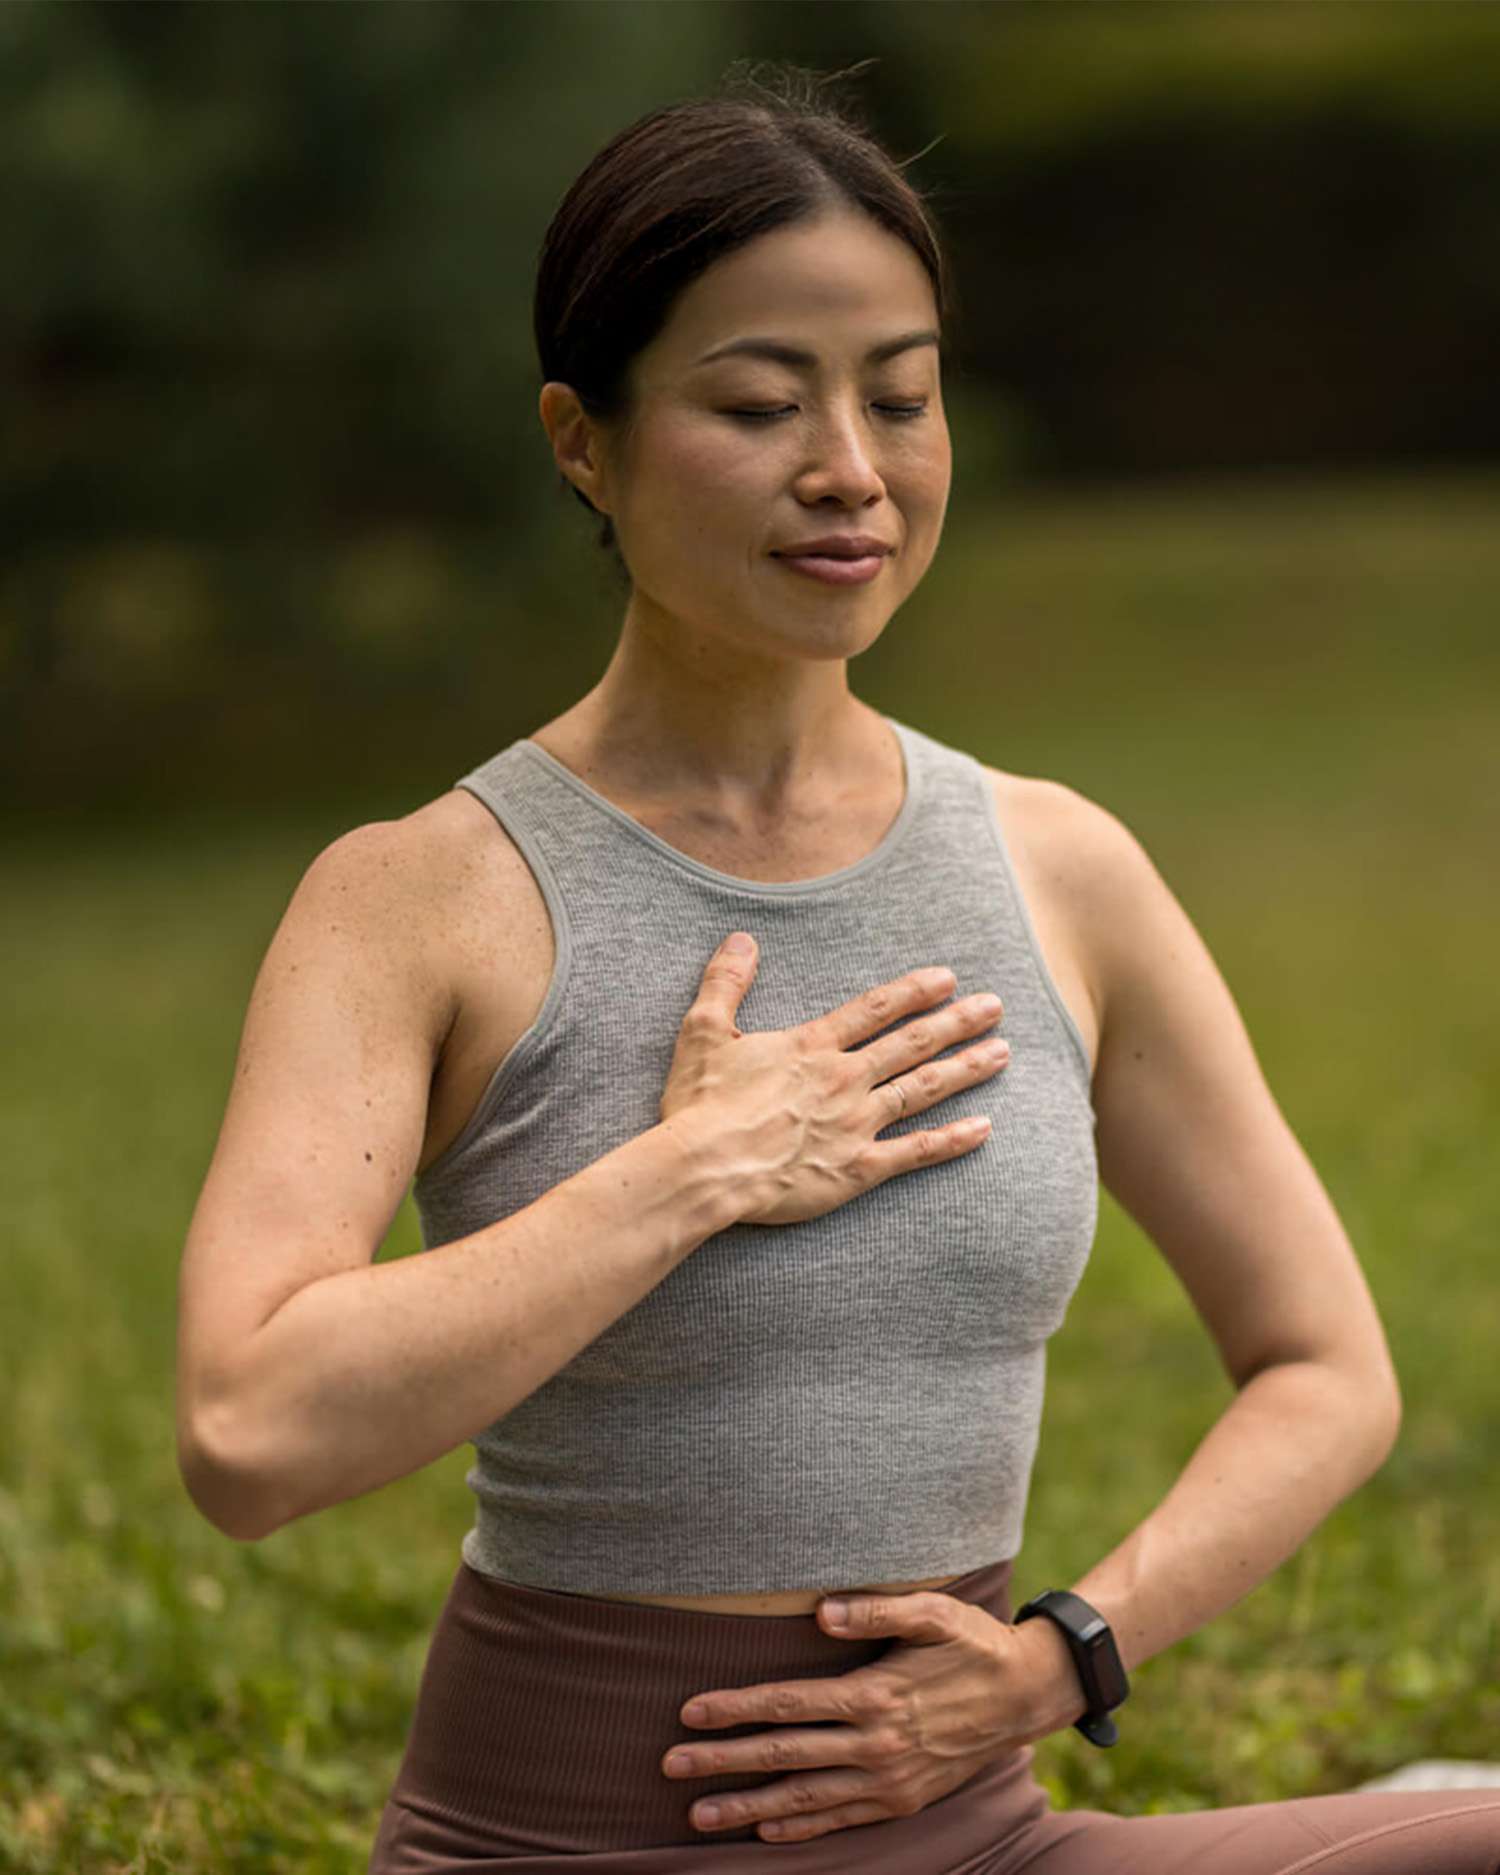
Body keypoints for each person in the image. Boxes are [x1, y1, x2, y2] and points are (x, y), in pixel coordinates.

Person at [175, 59, 1500, 1875]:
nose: (851, 473)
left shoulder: (1062, 867)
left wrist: (1060, 1660)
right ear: (585, 441)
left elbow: (1326, 1368)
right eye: (757, 403)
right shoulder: (419, 897)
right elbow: (249, 1436)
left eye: (902, 397)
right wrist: (691, 1172)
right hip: (564, 1845)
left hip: (978, 1838)